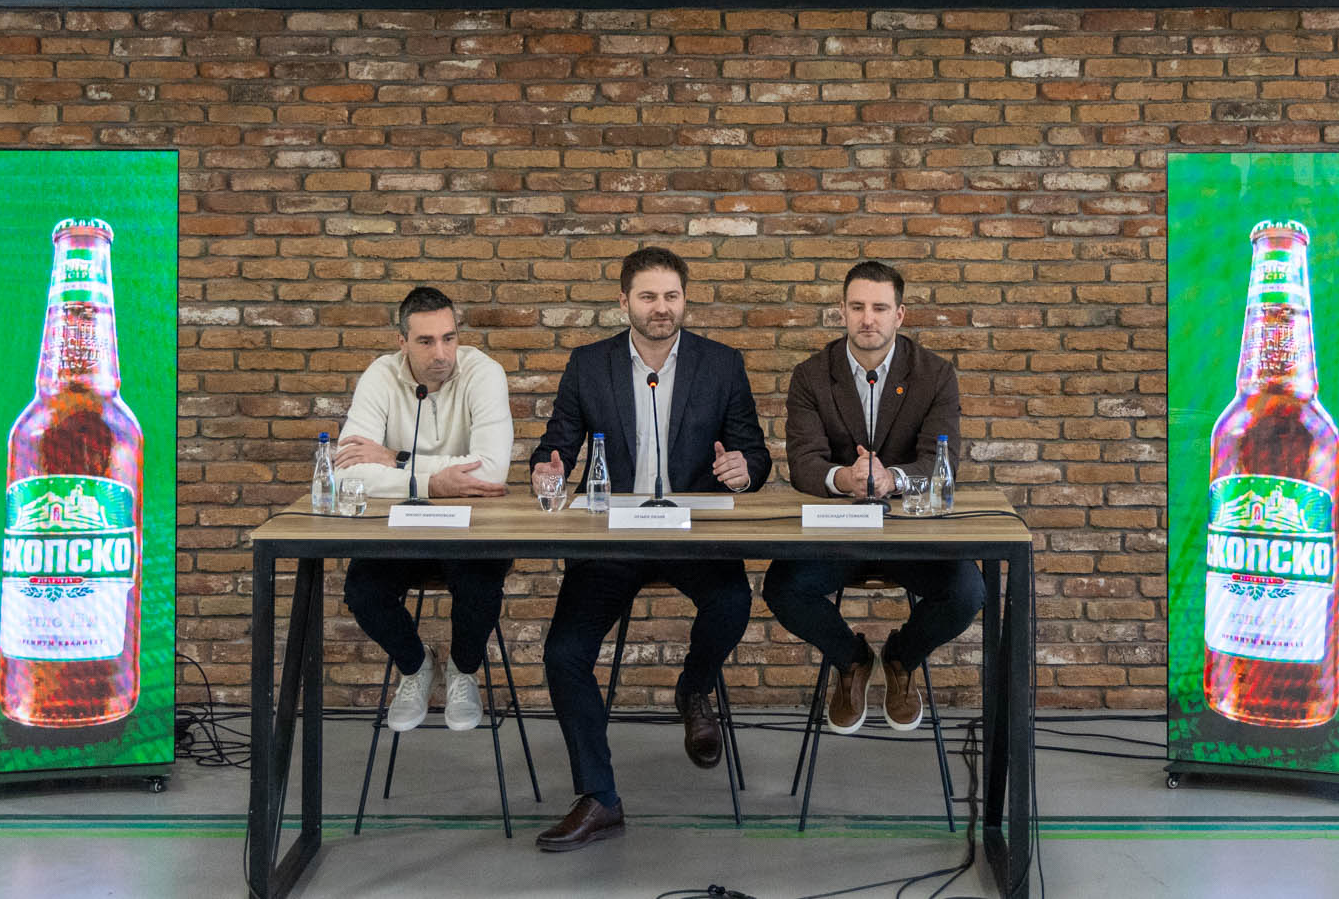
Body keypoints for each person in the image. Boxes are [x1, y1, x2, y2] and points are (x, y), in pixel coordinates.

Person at [530, 246, 771, 853]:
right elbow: (556, 443)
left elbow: (755, 451)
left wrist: (745, 469)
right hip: (614, 534)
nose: (661, 308)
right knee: (563, 653)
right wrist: (547, 470)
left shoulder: (721, 364)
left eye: (671, 296)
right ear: (624, 302)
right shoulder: (589, 364)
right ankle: (599, 798)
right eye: (648, 297)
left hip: (694, 531)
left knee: (732, 603)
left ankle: (693, 688)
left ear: (684, 300)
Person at [763, 260, 982, 733]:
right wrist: (845, 478)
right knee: (782, 588)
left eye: (880, 308)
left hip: (908, 534)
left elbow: (940, 462)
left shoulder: (935, 374)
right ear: (841, 311)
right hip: (837, 534)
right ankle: (852, 660)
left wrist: (890, 479)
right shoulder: (811, 375)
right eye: (858, 307)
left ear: (899, 315)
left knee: (967, 592)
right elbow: (803, 462)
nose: (868, 319)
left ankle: (901, 659)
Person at [334, 286, 513, 734]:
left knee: (480, 583)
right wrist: (432, 482)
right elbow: (347, 473)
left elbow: (491, 471)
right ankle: (416, 667)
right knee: (362, 590)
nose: (441, 353)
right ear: (403, 342)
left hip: (470, 529)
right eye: (426, 341)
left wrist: (395, 460)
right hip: (402, 530)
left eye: (449, 338)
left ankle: (463, 671)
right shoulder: (380, 376)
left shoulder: (484, 373)